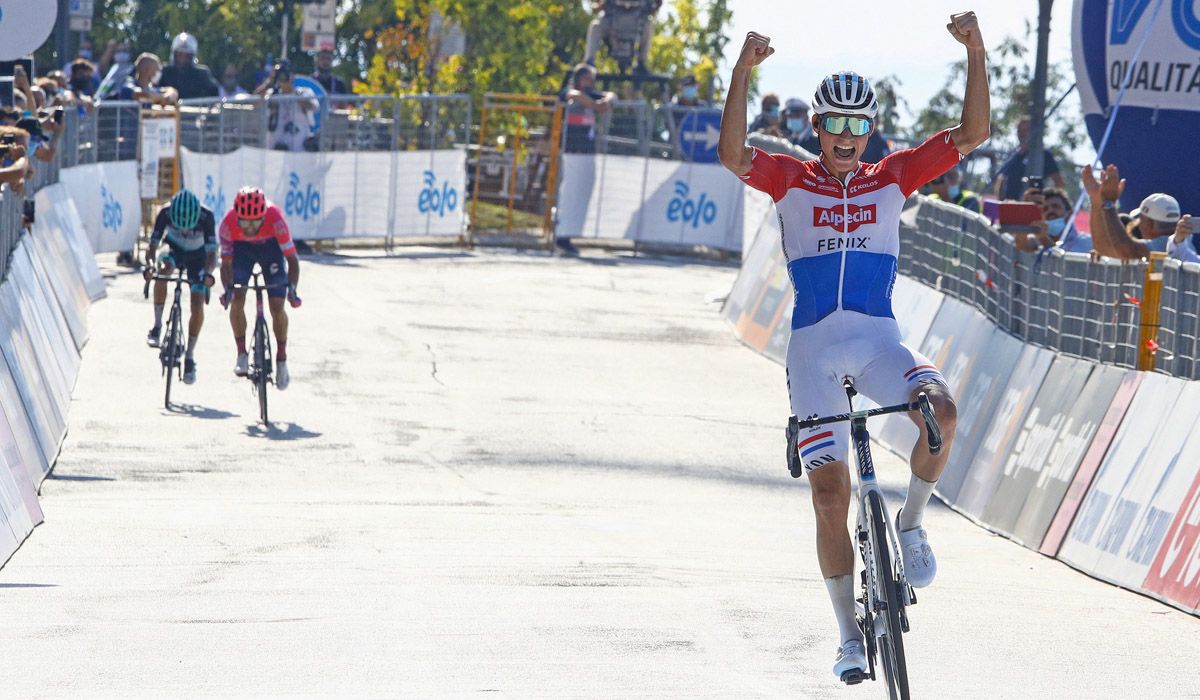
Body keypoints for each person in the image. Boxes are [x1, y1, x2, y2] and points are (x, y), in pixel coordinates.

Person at [717, 12, 987, 682]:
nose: (844, 137)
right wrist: (741, 73)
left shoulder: (893, 175)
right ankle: (846, 636)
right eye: (833, 124)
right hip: (812, 350)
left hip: (877, 343)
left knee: (942, 412)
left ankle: (914, 522)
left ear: (870, 129)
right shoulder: (788, 177)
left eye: (856, 125)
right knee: (829, 493)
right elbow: (732, 155)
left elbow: (973, 134)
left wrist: (976, 51)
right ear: (817, 128)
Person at [219, 187, 302, 390]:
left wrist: (292, 289)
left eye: (254, 222)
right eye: (244, 221)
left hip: (270, 250)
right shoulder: (228, 224)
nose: (248, 227)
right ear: (237, 216)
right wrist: (228, 289)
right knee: (237, 300)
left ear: (263, 216)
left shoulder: (275, 219)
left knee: (276, 306)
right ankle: (241, 353)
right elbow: (226, 265)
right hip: (242, 252)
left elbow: (292, 260)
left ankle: (281, 359)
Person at [143, 190, 218, 385]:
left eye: (189, 228)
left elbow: (212, 255)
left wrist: (208, 274)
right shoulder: (165, 213)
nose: (185, 231)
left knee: (197, 302)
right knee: (163, 270)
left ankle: (190, 356)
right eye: (180, 227)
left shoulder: (206, 217)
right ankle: (157, 326)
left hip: (198, 256)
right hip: (174, 250)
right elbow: (152, 248)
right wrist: (151, 266)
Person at [556, 63, 615, 254]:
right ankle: (561, 234)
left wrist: (605, 101)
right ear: (580, 79)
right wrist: (595, 105)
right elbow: (572, 95)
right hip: (572, 152)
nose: (591, 83)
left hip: (587, 154)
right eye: (588, 79)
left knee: (582, 194)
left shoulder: (593, 94)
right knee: (569, 193)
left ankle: (570, 234)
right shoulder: (570, 93)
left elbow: (612, 96)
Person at [1079, 163, 1181, 260]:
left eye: (1141, 220)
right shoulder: (1179, 241)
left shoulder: (1168, 242)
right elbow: (1102, 248)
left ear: (1149, 224)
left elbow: (1125, 250)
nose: (1138, 225)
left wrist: (1108, 203)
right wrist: (1097, 201)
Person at [993, 116, 1066, 200]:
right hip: (1011, 205)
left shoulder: (1044, 155)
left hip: (1033, 206)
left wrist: (1047, 201)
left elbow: (1059, 182)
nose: (1022, 134)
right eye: (1019, 131)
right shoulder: (1014, 155)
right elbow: (1001, 179)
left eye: (1026, 130)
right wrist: (1000, 202)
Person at [256, 60, 319, 152]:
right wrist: (269, 82)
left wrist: (292, 91)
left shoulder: (304, 92)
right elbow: (253, 102)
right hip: (276, 148)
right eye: (280, 75)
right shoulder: (271, 95)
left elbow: (313, 107)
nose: (283, 77)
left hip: (299, 148)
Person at [1013, 185, 1092, 253]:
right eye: (1045, 209)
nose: (1050, 211)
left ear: (1070, 214)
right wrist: (1025, 209)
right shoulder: (1037, 238)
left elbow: (1061, 264)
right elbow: (1022, 244)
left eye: (1056, 206)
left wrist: (1044, 239)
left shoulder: (1087, 243)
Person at [158, 33, 220, 100]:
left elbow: (215, 95)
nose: (183, 59)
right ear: (174, 54)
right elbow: (154, 91)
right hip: (168, 109)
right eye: (180, 54)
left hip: (195, 109)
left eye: (187, 55)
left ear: (192, 56)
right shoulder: (164, 72)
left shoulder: (202, 74)